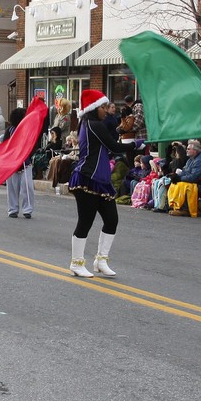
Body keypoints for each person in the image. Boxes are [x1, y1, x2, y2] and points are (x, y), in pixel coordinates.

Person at [67, 89, 143, 277]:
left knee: (111, 220)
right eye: (102, 107)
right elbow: (114, 146)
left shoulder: (89, 124)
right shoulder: (93, 124)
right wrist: (135, 144)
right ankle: (76, 263)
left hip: (100, 179)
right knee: (85, 222)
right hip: (87, 178)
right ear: (93, 108)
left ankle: (101, 261)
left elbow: (108, 140)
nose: (105, 110)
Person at [165, 139, 201, 217]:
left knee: (182, 185)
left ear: (195, 151)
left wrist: (180, 178)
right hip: (194, 183)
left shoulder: (200, 160)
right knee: (175, 183)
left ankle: (184, 210)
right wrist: (177, 176)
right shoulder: (190, 160)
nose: (186, 151)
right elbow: (184, 172)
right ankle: (176, 206)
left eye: (188, 149)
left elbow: (194, 177)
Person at [4, 107, 36, 219]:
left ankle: (27, 209)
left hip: (25, 162)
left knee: (27, 187)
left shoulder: (29, 129)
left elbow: (34, 144)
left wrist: (28, 153)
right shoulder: (10, 130)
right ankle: (13, 209)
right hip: (12, 163)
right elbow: (5, 144)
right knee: (12, 188)